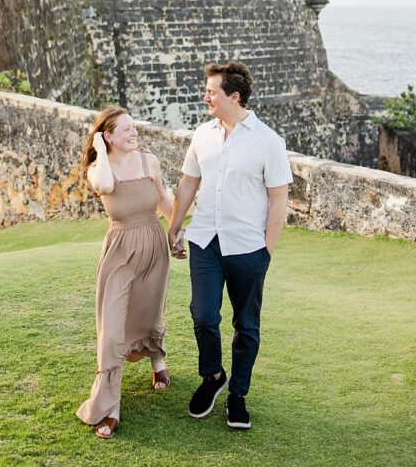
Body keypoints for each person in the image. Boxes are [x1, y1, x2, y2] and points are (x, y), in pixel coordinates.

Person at [168, 60, 292, 431]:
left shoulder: (268, 141)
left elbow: (279, 201)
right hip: (205, 240)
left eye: (212, 91)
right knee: (203, 315)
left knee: (246, 325)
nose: (205, 96)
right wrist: (174, 227)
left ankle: (238, 395)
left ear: (233, 96)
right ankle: (213, 377)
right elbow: (188, 184)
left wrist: (266, 252)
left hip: (247, 247)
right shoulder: (202, 135)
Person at [76, 105, 174, 439]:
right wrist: (102, 152)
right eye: (126, 130)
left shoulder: (149, 160)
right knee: (113, 330)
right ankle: (110, 407)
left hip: (153, 245)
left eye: (134, 128)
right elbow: (104, 185)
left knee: (149, 313)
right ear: (108, 137)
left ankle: (157, 362)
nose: (134, 134)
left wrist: (177, 231)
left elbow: (164, 200)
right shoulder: (97, 168)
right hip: (119, 251)